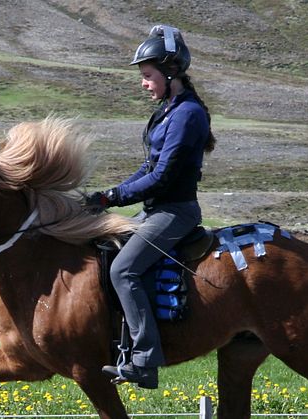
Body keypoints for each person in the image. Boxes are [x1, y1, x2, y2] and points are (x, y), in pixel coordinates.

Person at [86, 25, 216, 389]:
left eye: (147, 76)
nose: (143, 83)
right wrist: (107, 196)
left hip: (175, 213)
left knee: (123, 271)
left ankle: (144, 361)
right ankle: (120, 343)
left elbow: (160, 178)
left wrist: (111, 198)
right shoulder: (168, 111)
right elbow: (148, 167)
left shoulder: (187, 114)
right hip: (155, 210)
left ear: (170, 72)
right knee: (106, 251)